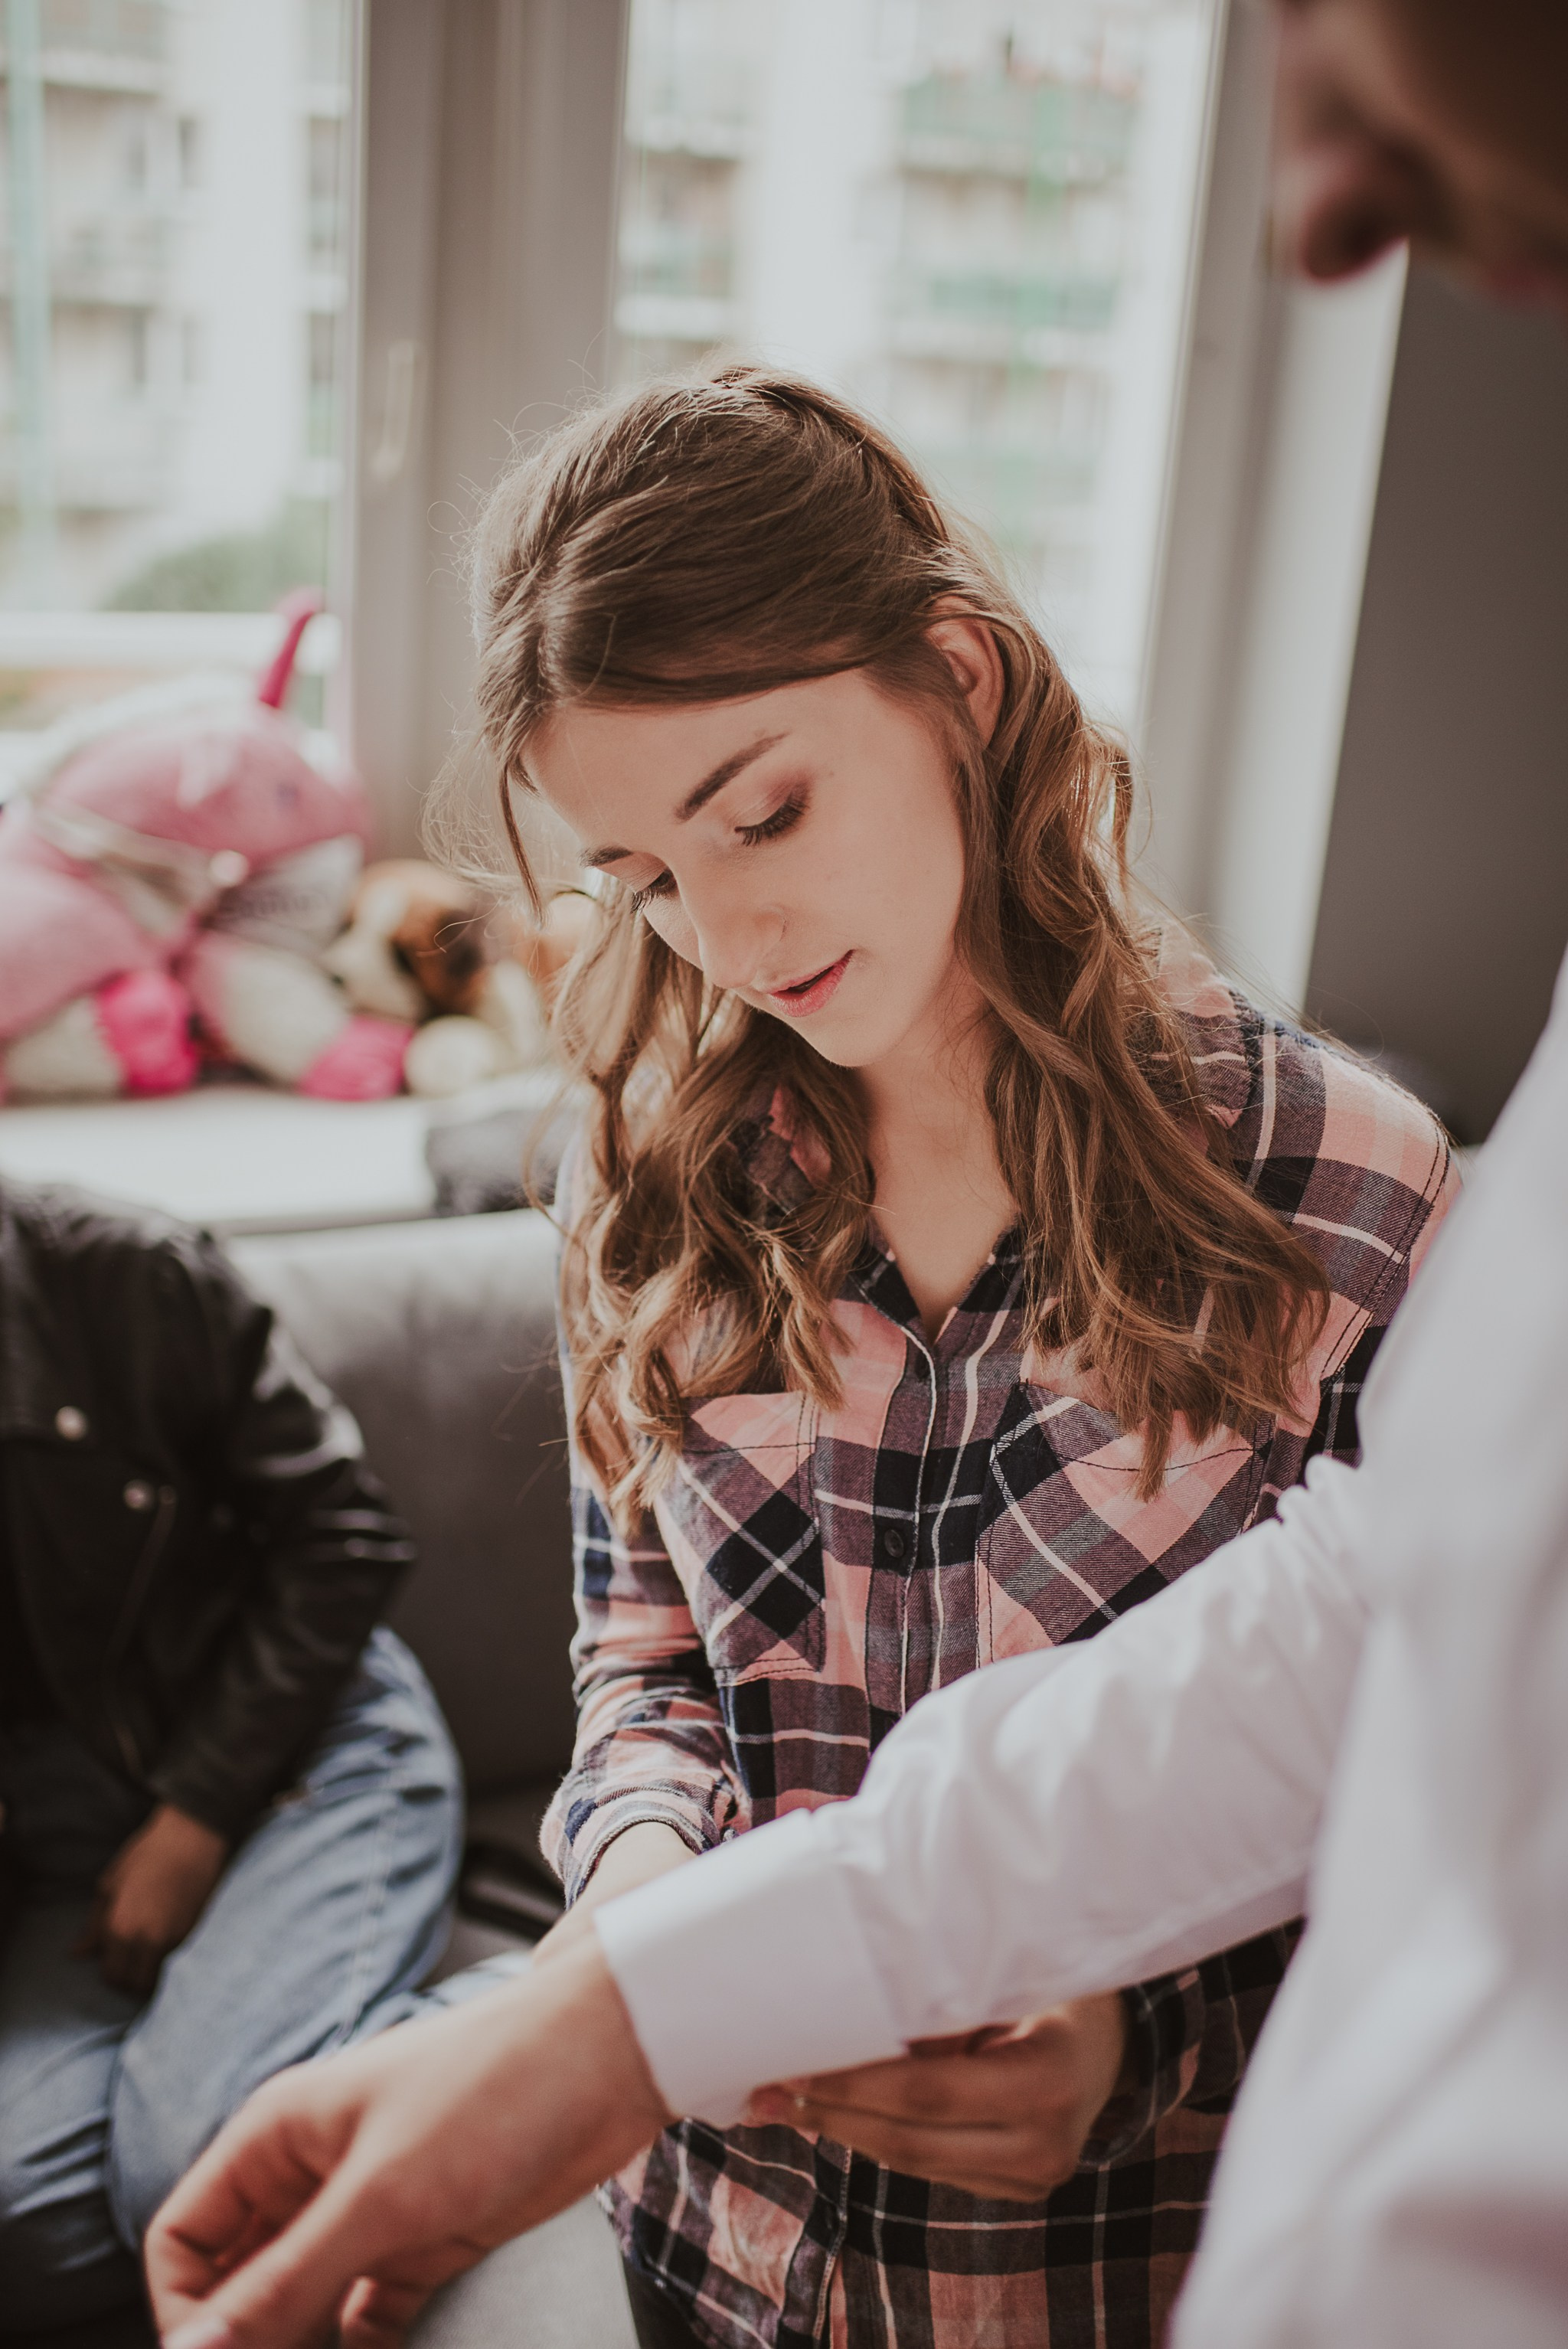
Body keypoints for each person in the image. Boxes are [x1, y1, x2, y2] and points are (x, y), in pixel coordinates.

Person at [142, 3, 1568, 2346]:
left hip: (1105, 2270)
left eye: (767, 808)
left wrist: (1132, 2032)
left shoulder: (1345, 1182)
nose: (730, 932)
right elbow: (637, 1654)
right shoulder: (647, 1172)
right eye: (646, 873)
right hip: (719, 2249)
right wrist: (639, 1926)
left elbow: (1422, 1776)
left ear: (961, 683)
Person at [0, 1178, 461, 2334]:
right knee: (18, 2230)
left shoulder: (127, 1273)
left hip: (302, 1758)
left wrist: (196, 1815)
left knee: (187, 2174)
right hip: (71, 1844)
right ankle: (260, 2056)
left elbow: (346, 1539)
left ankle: (537, 2017)